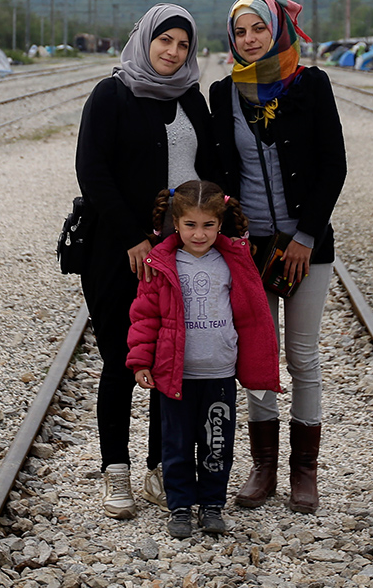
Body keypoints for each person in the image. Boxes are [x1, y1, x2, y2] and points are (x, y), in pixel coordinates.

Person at [75, 4, 221, 519]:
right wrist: (134, 238)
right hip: (118, 253)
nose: (173, 52)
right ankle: (115, 473)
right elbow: (92, 173)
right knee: (121, 360)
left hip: (178, 253)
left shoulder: (190, 99)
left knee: (169, 359)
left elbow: (210, 168)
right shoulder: (111, 94)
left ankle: (162, 469)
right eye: (165, 41)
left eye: (183, 45)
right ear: (144, 39)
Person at [208, 0, 346, 514]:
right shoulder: (224, 94)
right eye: (240, 33)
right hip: (250, 249)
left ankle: (303, 472)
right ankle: (263, 466)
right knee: (259, 356)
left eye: (257, 30)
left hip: (306, 245)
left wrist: (305, 238)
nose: (249, 40)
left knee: (303, 357)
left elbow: (333, 166)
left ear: (276, 31)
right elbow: (215, 170)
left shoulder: (312, 85)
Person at [125, 180, 281, 538]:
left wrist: (256, 361)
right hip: (175, 373)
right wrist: (141, 362)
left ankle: (212, 504)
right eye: (191, 225)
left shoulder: (232, 262)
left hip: (219, 370)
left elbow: (252, 315)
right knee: (176, 445)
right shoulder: (161, 264)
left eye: (208, 225)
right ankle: (180, 507)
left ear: (220, 223)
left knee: (216, 444)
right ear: (175, 224)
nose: (199, 234)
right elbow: (144, 316)